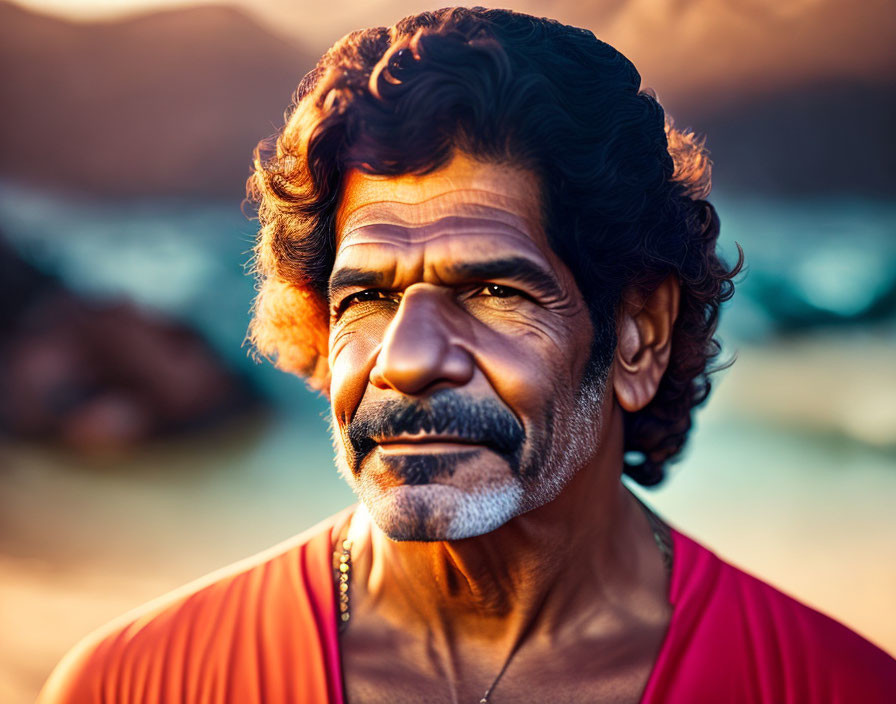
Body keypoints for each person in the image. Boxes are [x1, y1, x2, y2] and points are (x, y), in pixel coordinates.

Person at [38, 7, 896, 703]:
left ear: (639, 333)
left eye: (493, 292)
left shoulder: (830, 687)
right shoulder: (138, 683)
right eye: (365, 298)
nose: (406, 361)